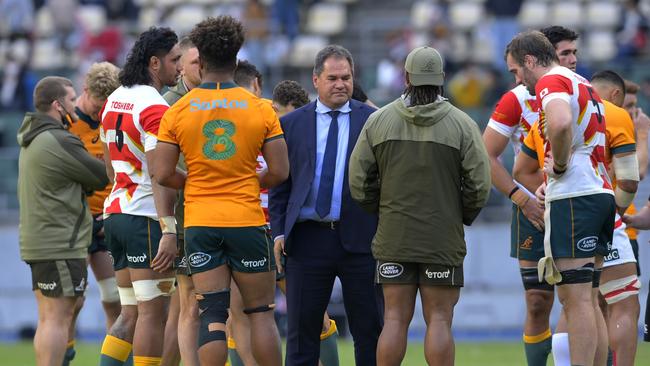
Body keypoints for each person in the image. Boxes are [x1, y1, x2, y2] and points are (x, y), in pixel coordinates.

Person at [154, 15, 288, 366]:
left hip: (200, 221)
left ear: (203, 58)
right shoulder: (262, 109)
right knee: (260, 313)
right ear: (236, 55)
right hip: (245, 219)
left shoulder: (178, 110)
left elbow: (163, 173)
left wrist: (199, 181)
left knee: (212, 314)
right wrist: (244, 180)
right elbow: (280, 171)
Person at [349, 46, 490, 366]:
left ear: (407, 78)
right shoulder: (463, 124)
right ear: (441, 80)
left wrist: (381, 209)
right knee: (439, 319)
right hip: (442, 238)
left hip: (394, 236)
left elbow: (358, 180)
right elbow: (480, 185)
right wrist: (461, 214)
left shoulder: (379, 121)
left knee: (395, 319)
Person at [269, 44, 383, 366]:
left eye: (346, 77)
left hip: (360, 239)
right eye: (332, 78)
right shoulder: (292, 124)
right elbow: (280, 185)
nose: (340, 84)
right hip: (307, 240)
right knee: (301, 336)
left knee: (370, 332)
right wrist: (279, 233)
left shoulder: (373, 121)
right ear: (315, 79)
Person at [507, 30, 615, 366]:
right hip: (599, 191)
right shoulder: (581, 81)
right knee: (590, 295)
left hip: (576, 197)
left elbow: (562, 122)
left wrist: (561, 166)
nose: (517, 79)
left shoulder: (550, 82)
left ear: (529, 61)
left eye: (515, 71)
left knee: (576, 299)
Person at [98, 27, 181, 366]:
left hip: (116, 213)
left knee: (130, 312)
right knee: (152, 313)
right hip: (145, 217)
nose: (178, 67)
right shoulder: (154, 106)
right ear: (154, 62)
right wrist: (169, 228)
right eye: (174, 60)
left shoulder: (114, 98)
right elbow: (160, 172)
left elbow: (108, 166)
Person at [17, 75, 109, 366]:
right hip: (60, 241)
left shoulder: (33, 135)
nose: (75, 104)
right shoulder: (60, 139)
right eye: (71, 99)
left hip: (40, 239)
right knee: (58, 318)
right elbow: (101, 176)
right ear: (58, 105)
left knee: (49, 317)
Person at [66, 61, 121, 364]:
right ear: (85, 90)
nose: (102, 114)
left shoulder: (112, 118)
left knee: (116, 300)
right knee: (73, 302)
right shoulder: (67, 123)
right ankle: (65, 353)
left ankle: (113, 359)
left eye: (107, 106)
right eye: (99, 106)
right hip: (76, 223)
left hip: (106, 221)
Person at [590, 70, 641, 366]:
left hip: (560, 213)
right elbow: (631, 179)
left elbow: (523, 169)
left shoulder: (561, 109)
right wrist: (616, 215)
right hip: (601, 211)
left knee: (579, 303)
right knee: (623, 303)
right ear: (616, 96)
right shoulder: (614, 114)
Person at [160, 36, 201, 366]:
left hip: (199, 213)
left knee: (181, 307)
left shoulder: (209, 97)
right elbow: (166, 170)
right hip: (184, 214)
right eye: (193, 63)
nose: (200, 67)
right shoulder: (171, 104)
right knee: (189, 303)